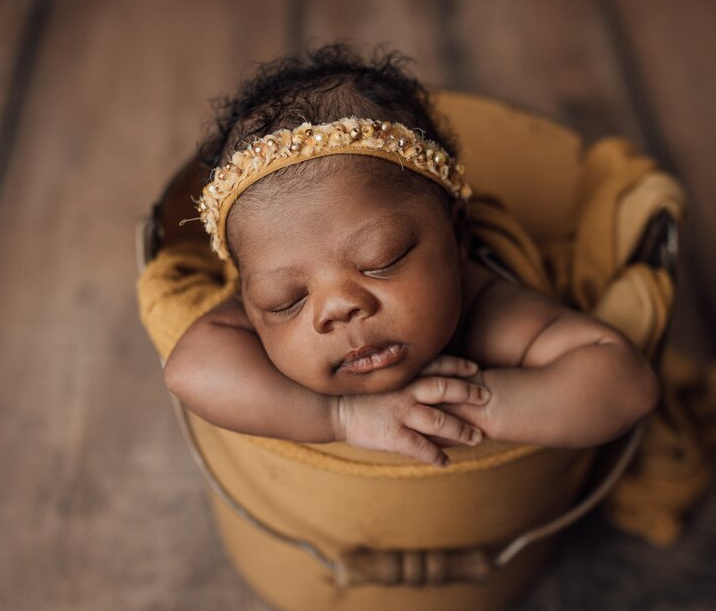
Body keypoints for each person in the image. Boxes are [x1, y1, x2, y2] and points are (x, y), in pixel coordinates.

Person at [161, 43, 659, 467]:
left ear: (457, 235)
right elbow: (189, 370)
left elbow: (625, 382)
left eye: (383, 259)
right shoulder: (255, 312)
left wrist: (469, 404)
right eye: (285, 300)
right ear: (249, 299)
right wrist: (341, 418)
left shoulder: (486, 312)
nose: (337, 307)